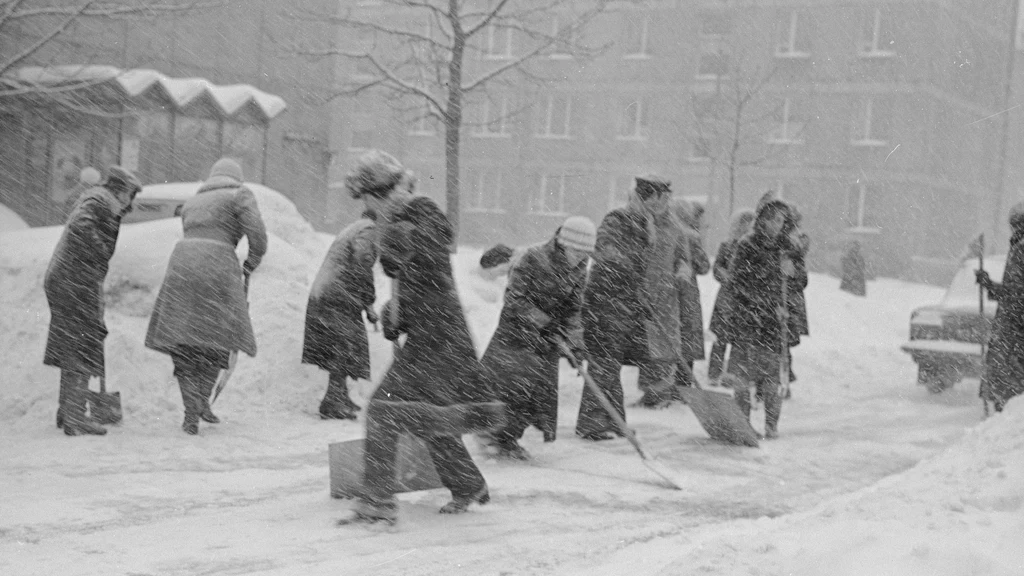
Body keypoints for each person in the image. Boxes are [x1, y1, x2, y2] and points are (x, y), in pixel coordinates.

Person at [339, 150, 504, 525]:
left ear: (378, 191)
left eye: (365, 197)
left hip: (438, 338)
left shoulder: (417, 214)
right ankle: (468, 485)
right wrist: (394, 314)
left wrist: (401, 239)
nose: (364, 207)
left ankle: (377, 503)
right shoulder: (401, 219)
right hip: (436, 335)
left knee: (384, 412)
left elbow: (431, 252)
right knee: (427, 416)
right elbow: (416, 284)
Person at [144, 158, 268, 435]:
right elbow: (257, 233)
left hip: (182, 264)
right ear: (237, 177)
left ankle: (192, 408)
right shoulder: (240, 194)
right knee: (217, 338)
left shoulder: (192, 202)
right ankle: (201, 402)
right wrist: (253, 260)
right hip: (217, 264)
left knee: (184, 341)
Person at [479, 216, 594, 459]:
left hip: (547, 340)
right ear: (563, 244)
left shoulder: (580, 268)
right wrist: (544, 321)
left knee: (537, 395)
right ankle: (495, 437)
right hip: (516, 334)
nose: (582, 257)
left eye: (586, 253)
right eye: (578, 251)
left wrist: (576, 344)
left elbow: (574, 309)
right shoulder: (532, 258)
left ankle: (509, 439)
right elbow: (514, 300)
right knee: (512, 388)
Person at [44, 166, 142, 436]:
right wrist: (97, 254)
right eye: (130, 195)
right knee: (83, 344)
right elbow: (81, 226)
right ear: (122, 190)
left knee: (74, 343)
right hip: (76, 281)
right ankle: (75, 417)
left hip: (68, 278)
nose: (130, 202)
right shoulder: (101, 202)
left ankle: (67, 412)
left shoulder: (95, 198)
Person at [576, 175, 665, 441]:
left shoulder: (645, 223)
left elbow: (639, 266)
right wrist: (625, 270)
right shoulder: (617, 219)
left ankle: (613, 420)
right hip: (605, 300)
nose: (662, 204)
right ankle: (591, 423)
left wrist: (639, 293)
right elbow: (602, 249)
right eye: (659, 198)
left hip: (625, 302)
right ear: (645, 197)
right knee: (603, 362)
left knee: (610, 364)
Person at [726, 195, 801, 439]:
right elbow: (737, 282)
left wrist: (793, 273)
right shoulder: (747, 245)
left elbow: (800, 282)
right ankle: (743, 423)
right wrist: (761, 304)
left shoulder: (787, 248)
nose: (777, 225)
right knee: (742, 378)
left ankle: (771, 424)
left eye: (781, 220)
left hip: (773, 324)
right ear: (763, 220)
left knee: (771, 378)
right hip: (748, 319)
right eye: (773, 219)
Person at [302, 209, 380, 420]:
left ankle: (339, 396)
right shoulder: (369, 230)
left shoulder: (353, 229)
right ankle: (332, 402)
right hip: (337, 296)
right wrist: (369, 301)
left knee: (342, 345)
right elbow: (363, 260)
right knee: (343, 347)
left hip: (327, 293)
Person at [633, 191, 696, 409]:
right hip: (641, 293)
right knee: (645, 346)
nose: (658, 203)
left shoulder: (676, 229)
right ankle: (650, 392)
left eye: (663, 199)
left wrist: (682, 274)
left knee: (666, 344)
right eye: (654, 198)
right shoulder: (638, 225)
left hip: (667, 295)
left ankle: (662, 393)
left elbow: (683, 260)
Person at [976, 203, 1024, 413]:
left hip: (1014, 336)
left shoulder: (1021, 249)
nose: (1013, 229)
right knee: (1006, 390)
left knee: (1009, 394)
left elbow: (1015, 295)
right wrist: (990, 285)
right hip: (1011, 334)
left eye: (1016, 224)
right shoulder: (1018, 247)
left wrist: (992, 287)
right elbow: (1014, 292)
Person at [707, 210, 755, 382]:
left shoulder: (753, 247)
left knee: (739, 340)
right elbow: (717, 267)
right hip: (727, 298)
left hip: (745, 299)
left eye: (750, 223)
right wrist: (725, 275)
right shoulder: (727, 246)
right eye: (743, 223)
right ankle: (714, 373)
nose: (746, 227)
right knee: (720, 337)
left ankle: (732, 375)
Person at [673, 200, 711, 391]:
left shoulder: (665, 231)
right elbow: (704, 266)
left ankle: (666, 383)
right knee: (688, 334)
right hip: (687, 290)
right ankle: (683, 383)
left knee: (671, 333)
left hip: (668, 290)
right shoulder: (691, 236)